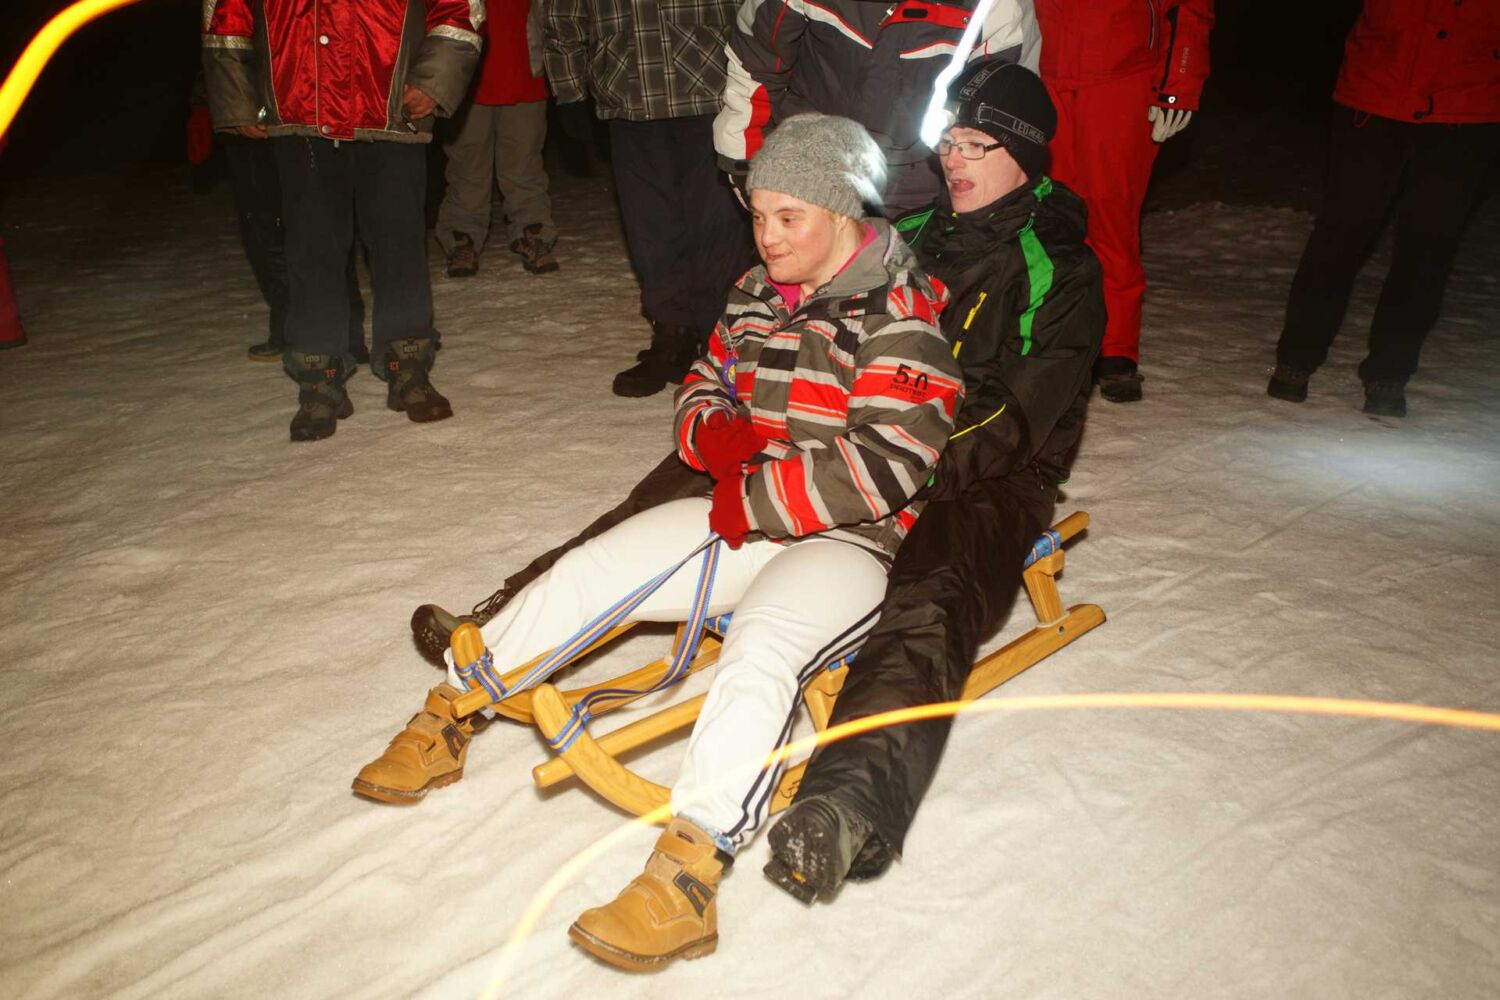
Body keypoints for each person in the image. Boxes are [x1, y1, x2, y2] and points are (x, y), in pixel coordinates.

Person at [355, 115, 964, 970]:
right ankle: (452, 712)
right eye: (758, 214)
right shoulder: (758, 293)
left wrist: (754, 497)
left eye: (789, 217)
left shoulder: (900, 317)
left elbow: (892, 460)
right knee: (599, 566)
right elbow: (705, 377)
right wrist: (711, 432)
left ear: (840, 212)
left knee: (762, 648)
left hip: (854, 541)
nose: (766, 235)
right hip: (747, 511)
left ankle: (687, 880)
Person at [201, 0, 482, 441]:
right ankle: (319, 373)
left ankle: (407, 361)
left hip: (391, 97)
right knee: (311, 248)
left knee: (399, 241)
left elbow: (461, 6)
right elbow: (225, 11)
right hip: (300, 97)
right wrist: (238, 93)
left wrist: (434, 78)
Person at [1266, 0, 1499, 418]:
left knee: (1429, 247)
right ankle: (1296, 357)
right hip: (1374, 95)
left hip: (1469, 106)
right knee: (1340, 234)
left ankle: (1390, 372)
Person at [546, 0, 754, 398]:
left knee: (717, 225)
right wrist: (569, 92)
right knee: (649, 228)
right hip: (628, 94)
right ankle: (672, 334)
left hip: (707, 87)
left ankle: (721, 338)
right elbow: (563, 17)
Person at [1034, 0, 1214, 402]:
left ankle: (1116, 347)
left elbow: (1189, 8)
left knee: (1111, 215)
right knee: (1048, 217)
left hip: (1122, 77)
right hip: (1045, 71)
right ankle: (1053, 335)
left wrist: (1178, 84)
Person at [714, 0, 1040, 218]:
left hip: (924, 180)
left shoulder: (998, 6)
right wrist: (746, 165)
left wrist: (979, 213)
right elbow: (754, 67)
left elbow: (1006, 114)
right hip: (814, 168)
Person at [437, 0, 559, 279]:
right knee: (467, 168)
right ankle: (462, 239)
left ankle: (533, 232)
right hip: (465, 74)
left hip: (524, 67)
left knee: (525, 165)